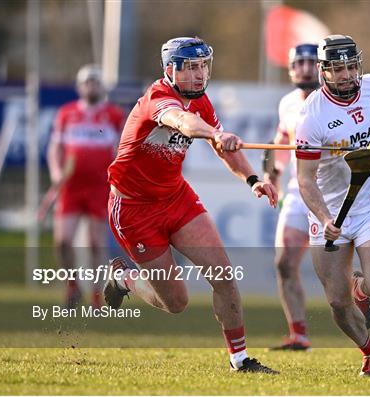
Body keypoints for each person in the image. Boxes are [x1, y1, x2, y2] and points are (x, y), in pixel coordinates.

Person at [103, 37, 278, 374]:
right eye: (192, 67)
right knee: (177, 303)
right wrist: (213, 133)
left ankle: (240, 361)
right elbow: (183, 123)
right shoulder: (159, 99)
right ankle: (125, 279)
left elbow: (225, 149)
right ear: (171, 70)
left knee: (223, 275)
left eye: (204, 66)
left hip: (175, 198)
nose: (200, 75)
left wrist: (254, 179)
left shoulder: (202, 101)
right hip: (134, 210)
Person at [295, 35, 370, 376]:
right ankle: (369, 351)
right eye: (339, 69)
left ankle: (361, 287)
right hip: (329, 210)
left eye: (352, 66)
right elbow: (305, 180)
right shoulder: (312, 117)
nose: (348, 75)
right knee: (337, 302)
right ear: (324, 72)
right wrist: (322, 216)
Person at [47, 64, 124, 309]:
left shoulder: (114, 115)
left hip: (99, 187)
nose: (91, 86)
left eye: (95, 82)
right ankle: (72, 286)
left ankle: (96, 296)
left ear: (102, 86)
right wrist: (56, 172)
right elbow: (55, 148)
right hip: (70, 187)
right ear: (80, 87)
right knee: (63, 241)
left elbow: (122, 149)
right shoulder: (66, 113)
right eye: (86, 82)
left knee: (95, 243)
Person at [264, 43, 319, 350]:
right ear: (290, 68)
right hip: (299, 192)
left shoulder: (331, 100)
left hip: (334, 195)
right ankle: (299, 334)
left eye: (312, 62)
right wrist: (272, 175)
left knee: (343, 275)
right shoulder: (287, 103)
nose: (306, 68)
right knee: (285, 263)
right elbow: (282, 142)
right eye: (300, 62)